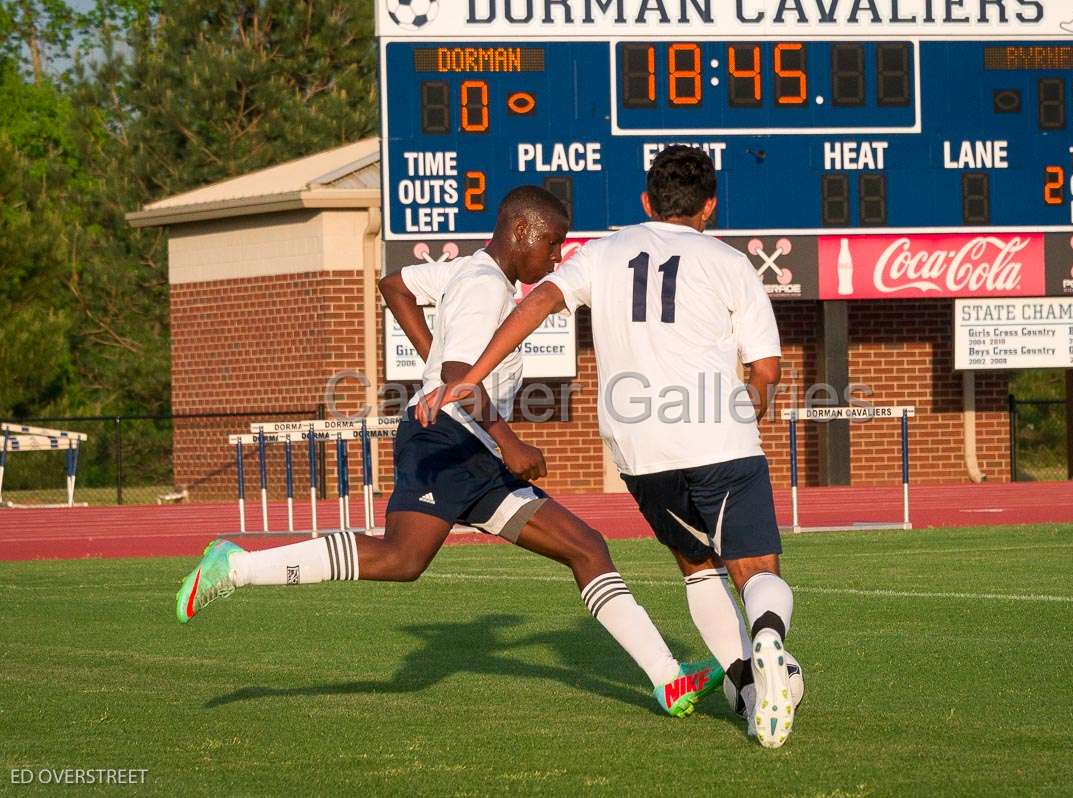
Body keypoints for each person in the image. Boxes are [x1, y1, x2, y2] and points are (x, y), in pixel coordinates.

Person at [174, 185, 722, 718]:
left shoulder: (469, 270)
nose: (557, 257)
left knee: (585, 547)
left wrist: (435, 366)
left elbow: (394, 285)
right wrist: (509, 441)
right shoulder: (484, 286)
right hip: (449, 440)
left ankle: (669, 680)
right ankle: (237, 567)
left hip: (470, 446)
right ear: (521, 230)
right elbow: (461, 375)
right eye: (552, 243)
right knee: (400, 559)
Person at [416, 148, 800, 748]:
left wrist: (470, 375)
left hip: (639, 450)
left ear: (646, 202)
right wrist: (751, 407)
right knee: (756, 573)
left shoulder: (603, 252)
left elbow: (537, 301)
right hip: (719, 435)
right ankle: (770, 636)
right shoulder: (730, 262)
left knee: (698, 570)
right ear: (709, 205)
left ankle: (749, 687)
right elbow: (767, 370)